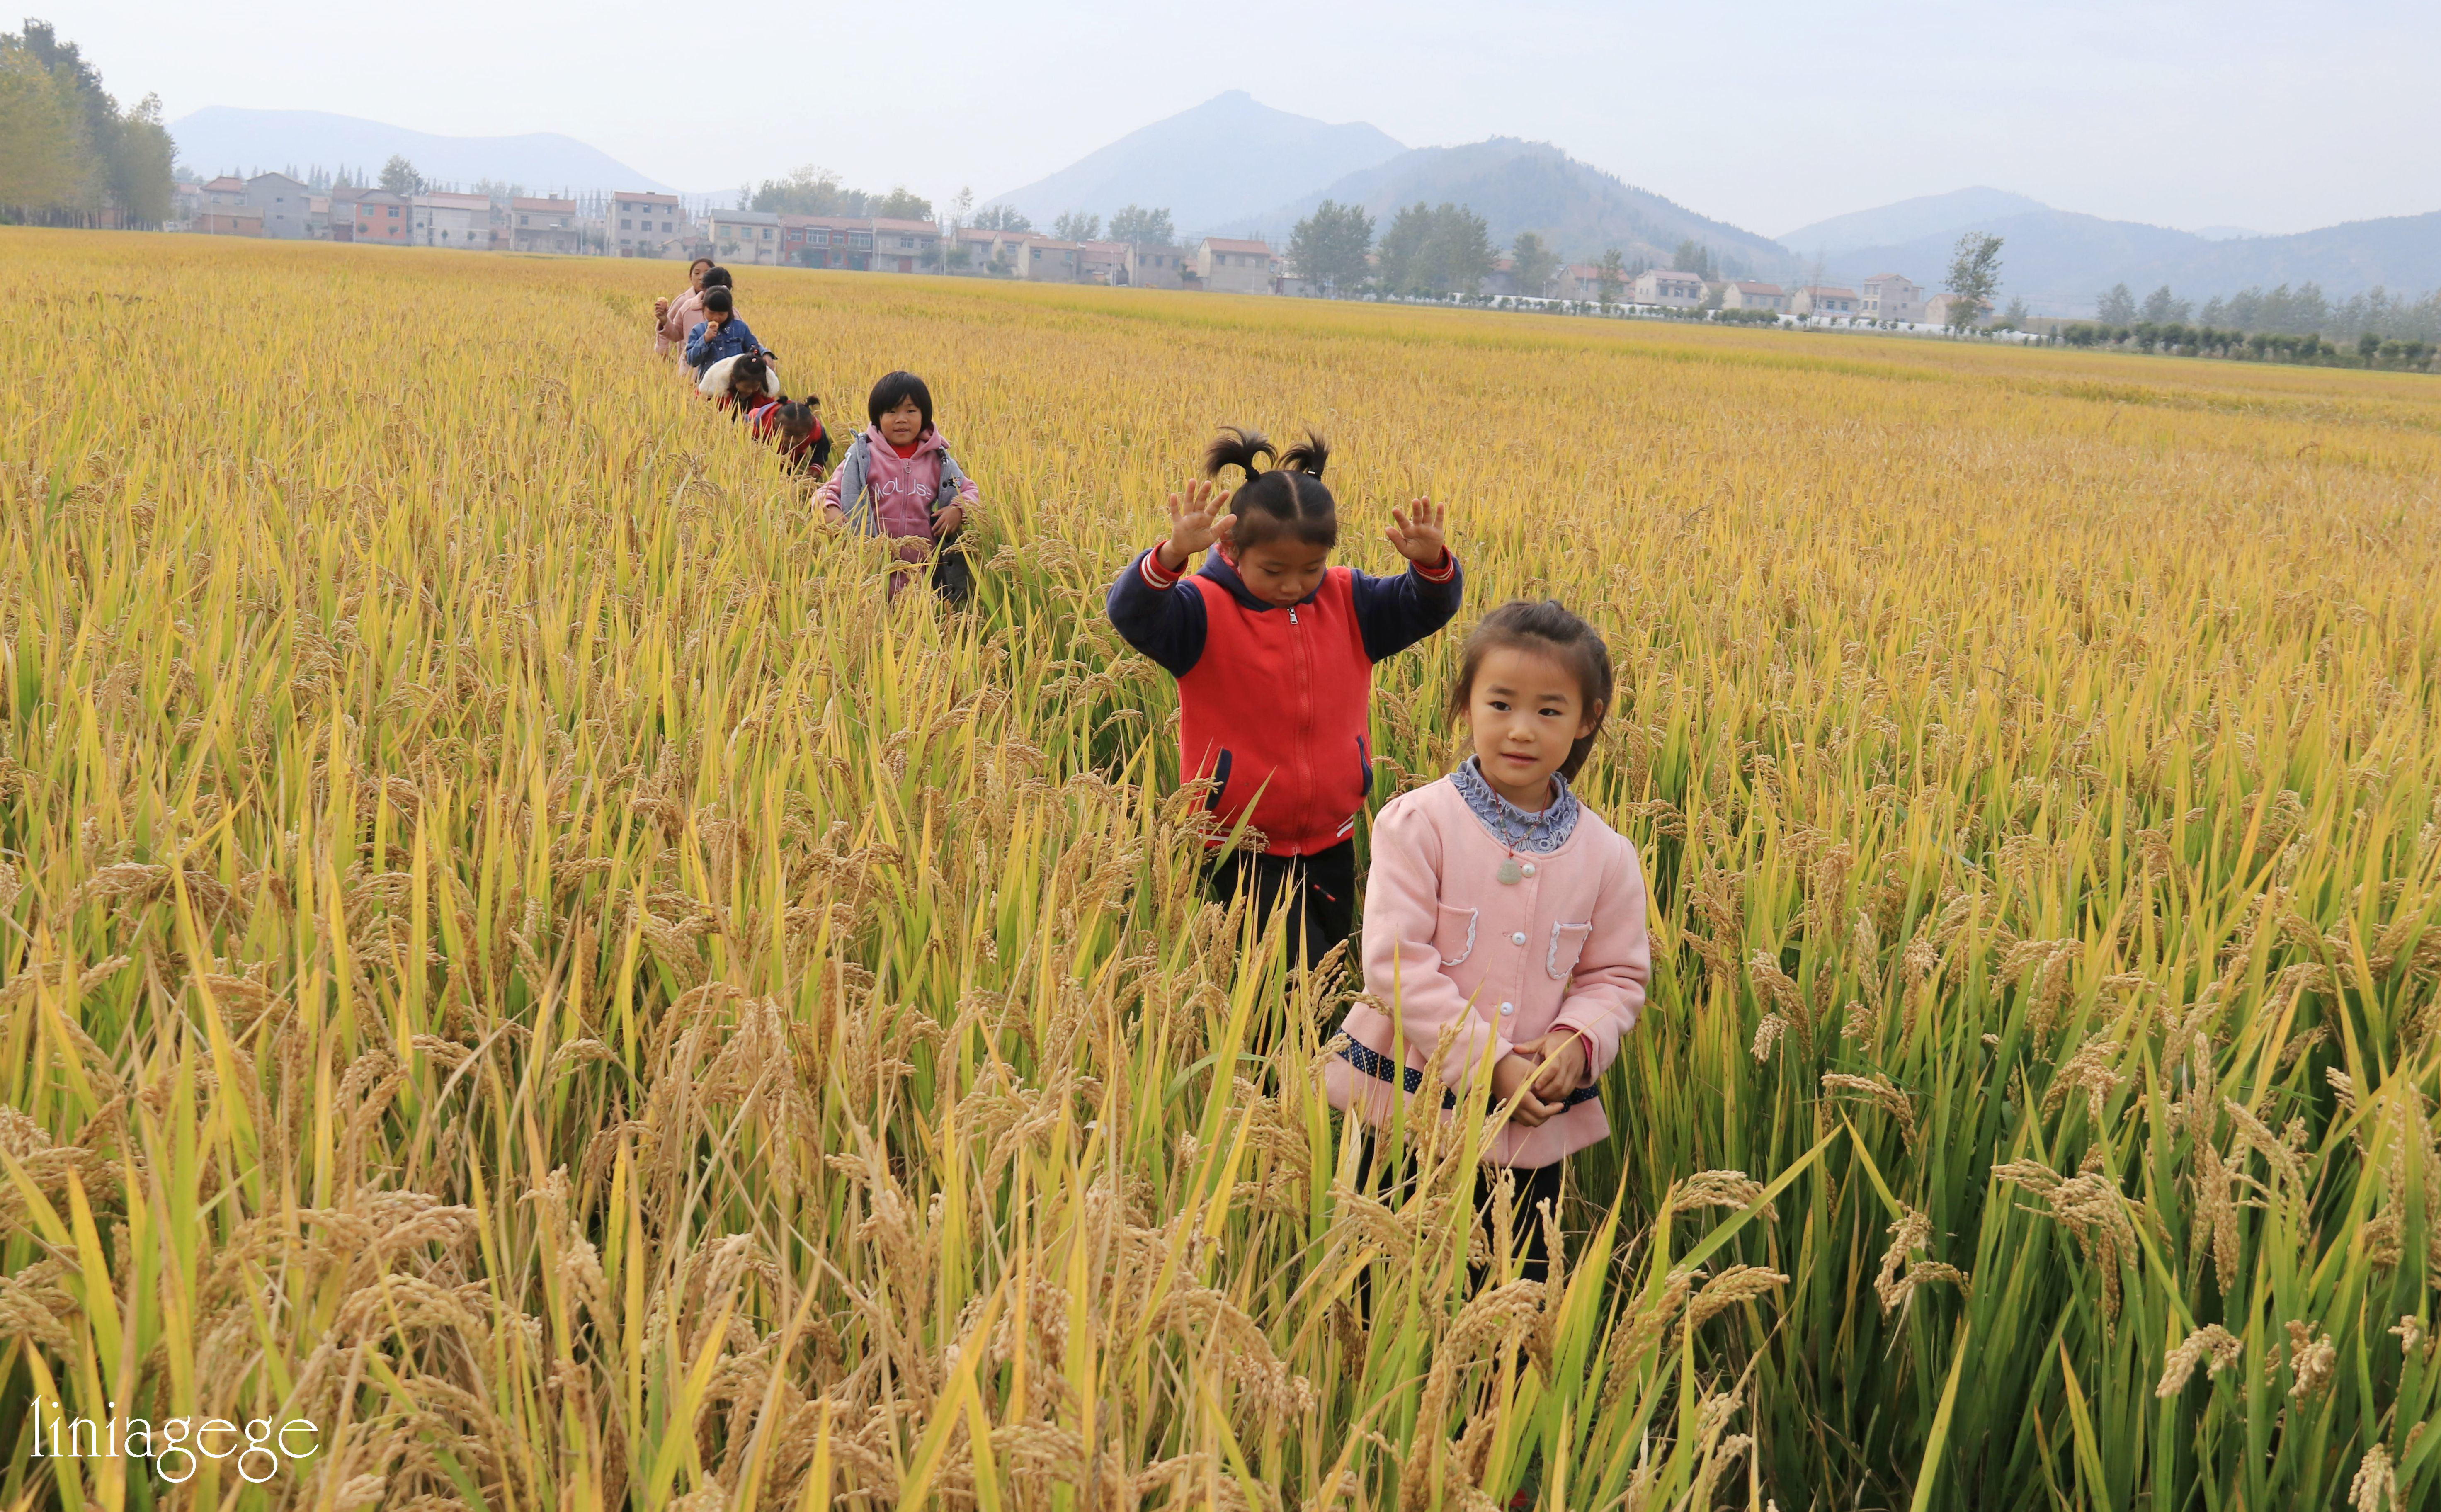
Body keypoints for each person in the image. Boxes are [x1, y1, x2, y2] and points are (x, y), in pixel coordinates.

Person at [1325, 599, 1650, 1285]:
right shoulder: (1418, 824)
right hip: (1406, 1109)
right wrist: (1489, 1063)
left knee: (1514, 1287)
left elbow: (1615, 977)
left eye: (1550, 711)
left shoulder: (1607, 855)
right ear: (1464, 704)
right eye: (1499, 704)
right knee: (1383, 1284)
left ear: (1587, 719)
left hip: (1530, 1121)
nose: (1520, 730)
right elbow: (1392, 962)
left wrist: (1575, 1043)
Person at [1105, 428, 1461, 970]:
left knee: (1328, 971)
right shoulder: (1201, 611)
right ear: (1229, 548)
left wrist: (1432, 567)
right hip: (1235, 846)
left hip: (1332, 841)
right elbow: (1132, 614)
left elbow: (1423, 608)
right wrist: (1173, 554)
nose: (1294, 584)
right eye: (1274, 571)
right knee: (1289, 986)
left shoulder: (1350, 600)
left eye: (1310, 568)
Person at [818, 371, 980, 603]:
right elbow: (826, 493)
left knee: (923, 629)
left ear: (924, 416)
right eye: (891, 412)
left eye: (911, 411)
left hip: (926, 573)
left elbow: (970, 491)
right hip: (871, 570)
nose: (901, 419)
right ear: (877, 418)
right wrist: (831, 511)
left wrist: (959, 510)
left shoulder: (938, 460)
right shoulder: (863, 458)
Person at [683, 286, 758, 377]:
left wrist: (763, 356)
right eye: (711, 313)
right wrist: (705, 340)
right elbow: (692, 361)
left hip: (735, 383)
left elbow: (754, 349)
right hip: (709, 385)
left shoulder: (741, 328)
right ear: (704, 309)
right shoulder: (698, 331)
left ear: (729, 312)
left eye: (721, 314)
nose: (716, 318)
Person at [751, 397, 830, 476]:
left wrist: (817, 465)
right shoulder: (761, 424)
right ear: (776, 424)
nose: (792, 440)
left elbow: (822, 446)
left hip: (793, 459)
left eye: (800, 435)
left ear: (810, 430)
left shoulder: (815, 429)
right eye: (787, 434)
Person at [655, 257, 716, 356]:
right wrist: (663, 352)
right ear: (690, 278)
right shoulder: (684, 302)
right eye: (697, 273)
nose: (701, 277)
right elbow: (673, 332)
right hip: (688, 360)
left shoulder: (723, 303)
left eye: (707, 273)